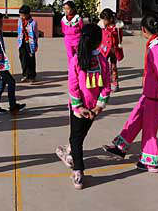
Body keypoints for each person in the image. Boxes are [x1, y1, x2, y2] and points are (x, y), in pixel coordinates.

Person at [103, 14, 158, 173]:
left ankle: (151, 162)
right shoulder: (157, 43)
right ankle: (121, 146)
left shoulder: (156, 48)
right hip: (149, 92)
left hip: (155, 94)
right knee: (135, 117)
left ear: (143, 30)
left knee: (149, 129)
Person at [56, 23, 110, 190]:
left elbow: (73, 86)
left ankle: (78, 171)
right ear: (99, 41)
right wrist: (98, 107)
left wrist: (78, 107)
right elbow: (107, 86)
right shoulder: (102, 60)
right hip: (93, 107)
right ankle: (70, 152)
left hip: (79, 107)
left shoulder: (76, 60)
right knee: (80, 134)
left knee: (76, 138)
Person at [0, 11, 26, 114]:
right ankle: (12, 106)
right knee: (11, 82)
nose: (1, 25)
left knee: (1, 83)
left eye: (2, 22)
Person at [98, 8, 124, 92]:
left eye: (105, 20)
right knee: (102, 67)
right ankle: (102, 83)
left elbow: (120, 38)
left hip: (114, 50)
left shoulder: (117, 28)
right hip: (103, 50)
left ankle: (115, 83)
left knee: (113, 67)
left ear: (110, 19)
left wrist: (115, 45)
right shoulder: (102, 27)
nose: (103, 21)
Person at [17, 5, 39, 83]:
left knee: (31, 59)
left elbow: (36, 34)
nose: (21, 17)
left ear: (28, 14)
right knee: (23, 59)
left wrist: (35, 44)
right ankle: (25, 75)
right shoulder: (20, 21)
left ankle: (32, 76)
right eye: (20, 15)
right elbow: (19, 31)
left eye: (23, 15)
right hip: (22, 42)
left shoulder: (33, 23)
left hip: (30, 43)